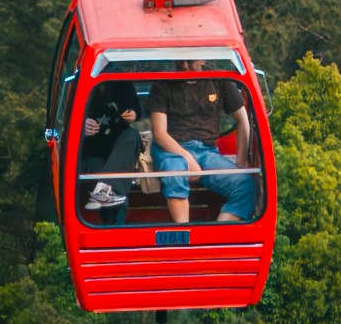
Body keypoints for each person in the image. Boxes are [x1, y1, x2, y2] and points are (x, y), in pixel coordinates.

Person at [151, 76, 261, 225]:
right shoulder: (163, 84)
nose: (185, 66)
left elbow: (242, 120)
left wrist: (240, 163)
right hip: (171, 149)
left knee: (246, 185)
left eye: (190, 61)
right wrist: (187, 158)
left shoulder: (218, 80)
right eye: (181, 61)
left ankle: (216, 238)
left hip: (207, 151)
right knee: (175, 173)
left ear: (202, 59)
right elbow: (159, 133)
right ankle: (185, 235)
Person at [80, 95, 156, 226]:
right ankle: (108, 193)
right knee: (118, 197)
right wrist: (80, 124)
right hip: (90, 158)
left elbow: (136, 109)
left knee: (132, 135)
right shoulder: (82, 90)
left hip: (118, 158)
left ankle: (106, 190)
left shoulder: (122, 87)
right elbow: (65, 119)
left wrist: (134, 114)